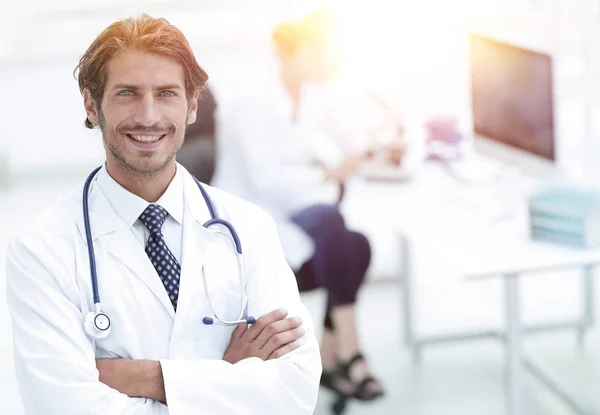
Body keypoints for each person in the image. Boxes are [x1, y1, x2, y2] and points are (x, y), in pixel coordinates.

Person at [5, 14, 321, 415]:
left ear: (192, 105)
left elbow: (294, 391)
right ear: (91, 104)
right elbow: (67, 407)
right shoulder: (40, 251)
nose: (149, 116)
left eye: (167, 93)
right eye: (127, 94)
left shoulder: (250, 228)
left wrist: (145, 378)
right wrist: (227, 376)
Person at [212, 9, 386, 409]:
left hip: (289, 208)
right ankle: (351, 353)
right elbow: (266, 181)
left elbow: (342, 129)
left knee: (357, 246)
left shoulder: (307, 89)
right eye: (331, 55)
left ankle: (331, 355)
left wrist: (371, 143)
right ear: (307, 50)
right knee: (333, 223)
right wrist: (329, 175)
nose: (336, 64)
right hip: (249, 215)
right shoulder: (253, 97)